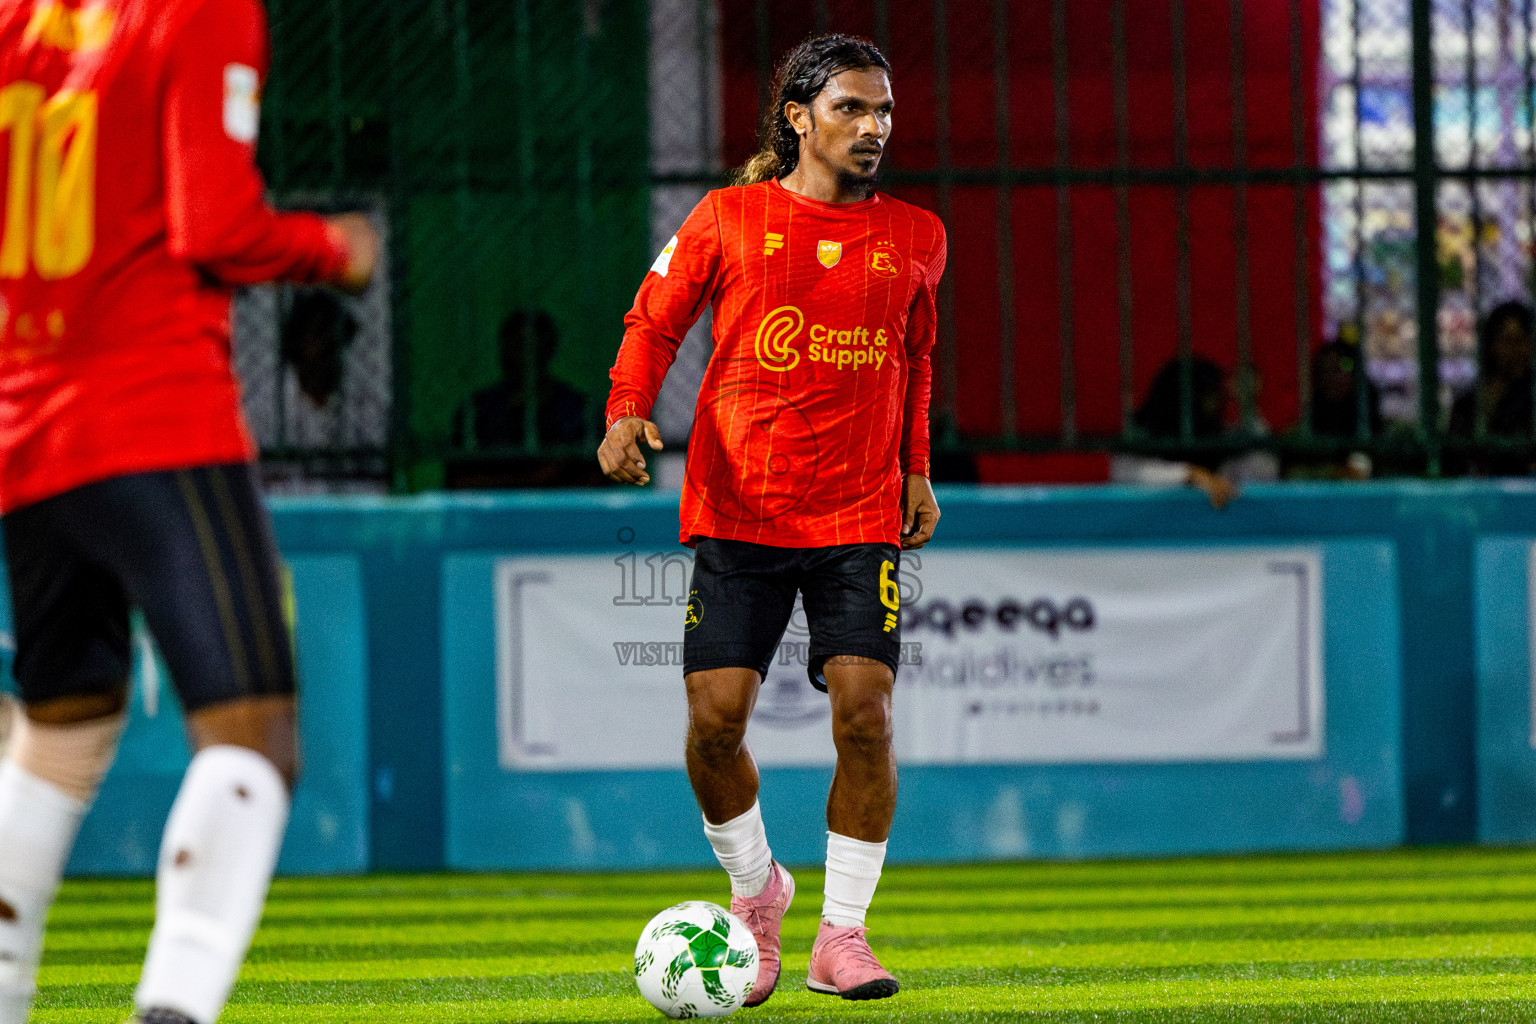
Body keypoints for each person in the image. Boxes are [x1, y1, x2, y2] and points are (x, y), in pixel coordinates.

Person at [0, 4, 377, 1024]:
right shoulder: (197, 10)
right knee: (255, 736)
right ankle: (174, 1008)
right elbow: (215, 226)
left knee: (64, 726)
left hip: (26, 426)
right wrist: (331, 247)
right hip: (157, 416)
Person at [598, 34, 944, 1005]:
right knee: (714, 727)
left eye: (883, 110)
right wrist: (625, 410)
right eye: (850, 108)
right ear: (798, 117)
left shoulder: (918, 235)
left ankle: (843, 936)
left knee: (867, 713)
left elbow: (915, 360)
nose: (873, 127)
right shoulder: (728, 217)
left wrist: (917, 469)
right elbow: (653, 319)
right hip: (738, 507)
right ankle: (758, 892)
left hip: (858, 513)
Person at [447, 309, 602, 488]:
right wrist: (540, 478)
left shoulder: (577, 411)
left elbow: (595, 481)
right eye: (517, 346)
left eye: (531, 347)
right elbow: (459, 482)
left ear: (548, 350)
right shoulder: (478, 411)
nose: (523, 357)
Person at [1111, 356, 1278, 509]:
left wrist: (1248, 407)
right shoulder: (1140, 436)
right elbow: (1126, 474)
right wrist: (1191, 475)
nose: (1217, 406)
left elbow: (1262, 475)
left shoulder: (1223, 440)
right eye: (1208, 398)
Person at [1447, 300, 1536, 477]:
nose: (1518, 350)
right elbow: (1453, 460)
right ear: (1491, 344)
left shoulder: (1531, 400)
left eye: (1524, 341)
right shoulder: (1468, 402)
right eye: (1508, 341)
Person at [1283, 339, 1380, 481]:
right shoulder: (1310, 421)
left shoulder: (1368, 412)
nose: (1332, 378)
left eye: (1339, 369)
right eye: (1324, 371)